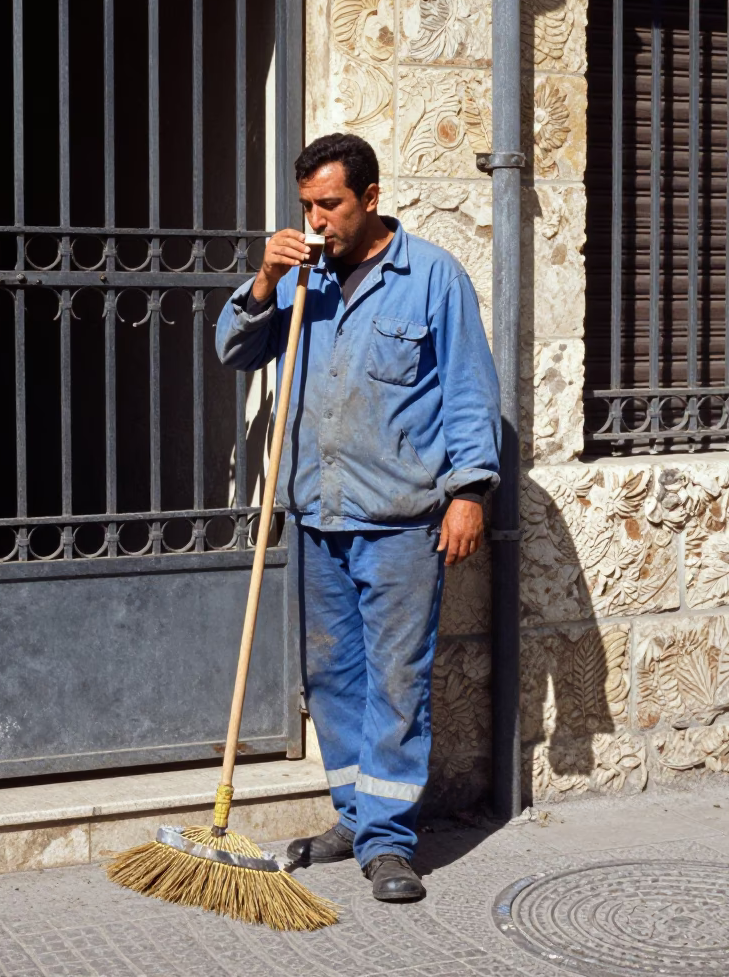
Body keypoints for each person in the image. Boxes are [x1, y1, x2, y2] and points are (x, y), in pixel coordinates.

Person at [215, 133, 500, 902]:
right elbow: (234, 351)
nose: (316, 220)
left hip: (400, 520)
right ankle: (354, 815)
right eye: (307, 205)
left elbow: (469, 390)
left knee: (396, 682)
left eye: (330, 205)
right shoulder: (300, 279)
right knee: (332, 678)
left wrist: (469, 493)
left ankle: (389, 841)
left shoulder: (432, 277)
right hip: (317, 513)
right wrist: (266, 279)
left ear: (370, 198)